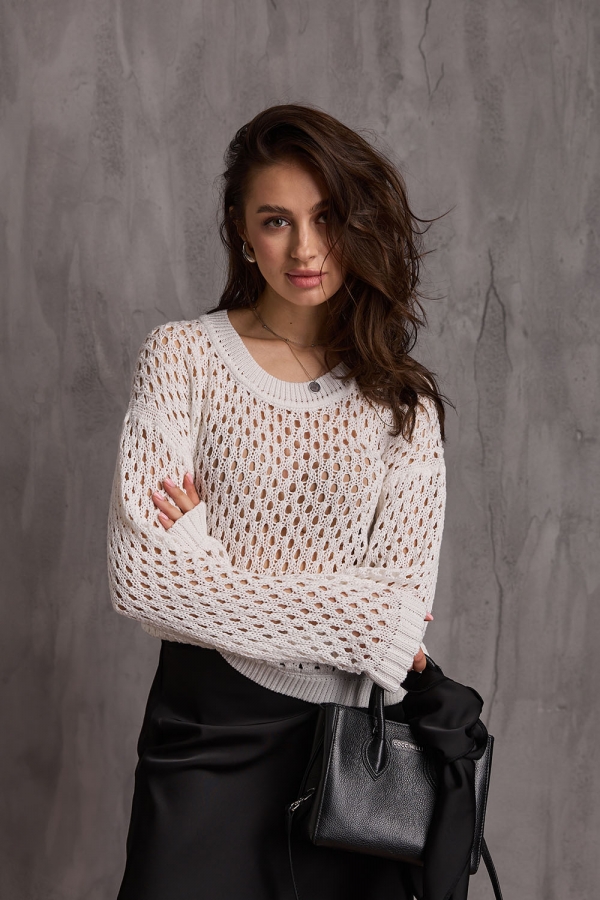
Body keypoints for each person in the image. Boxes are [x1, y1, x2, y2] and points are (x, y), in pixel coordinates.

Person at [107, 103, 447, 900]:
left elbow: (405, 602)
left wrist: (203, 563)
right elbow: (143, 582)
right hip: (205, 732)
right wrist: (363, 622)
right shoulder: (183, 358)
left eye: (326, 217)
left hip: (348, 757)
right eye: (276, 221)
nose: (305, 249)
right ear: (241, 229)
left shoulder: (402, 404)